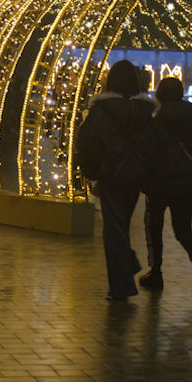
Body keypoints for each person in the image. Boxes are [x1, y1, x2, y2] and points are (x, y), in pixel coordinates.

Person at [74, 59, 154, 301]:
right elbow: (153, 145)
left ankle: (121, 285)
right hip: (135, 178)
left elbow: (86, 144)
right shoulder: (145, 113)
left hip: (111, 176)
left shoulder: (101, 111)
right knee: (120, 225)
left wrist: (92, 174)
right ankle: (127, 265)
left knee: (114, 229)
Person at [140, 76, 192, 294]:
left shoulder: (155, 124)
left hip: (158, 184)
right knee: (183, 229)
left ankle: (156, 272)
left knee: (154, 227)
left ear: (159, 96)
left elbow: (145, 154)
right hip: (187, 183)